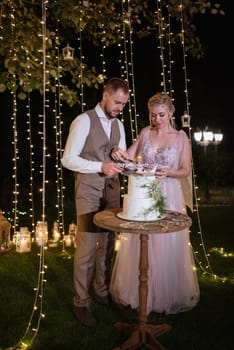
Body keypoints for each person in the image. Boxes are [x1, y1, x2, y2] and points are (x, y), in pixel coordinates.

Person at [110, 92, 200, 315]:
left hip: (169, 194)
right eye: (153, 115)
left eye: (161, 115)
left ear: (170, 113)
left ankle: (165, 296)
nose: (157, 120)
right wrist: (119, 153)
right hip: (145, 194)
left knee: (166, 244)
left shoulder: (180, 138)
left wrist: (169, 172)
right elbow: (130, 156)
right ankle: (139, 292)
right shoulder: (145, 133)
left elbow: (186, 170)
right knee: (143, 242)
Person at [61, 77, 129, 327]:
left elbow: (118, 156)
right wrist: (100, 165)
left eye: (124, 104)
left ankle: (101, 293)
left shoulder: (119, 125)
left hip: (111, 190)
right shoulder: (83, 120)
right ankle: (81, 302)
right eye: (118, 102)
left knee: (109, 245)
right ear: (105, 95)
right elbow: (68, 159)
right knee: (88, 247)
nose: (120, 108)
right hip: (88, 190)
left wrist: (120, 157)